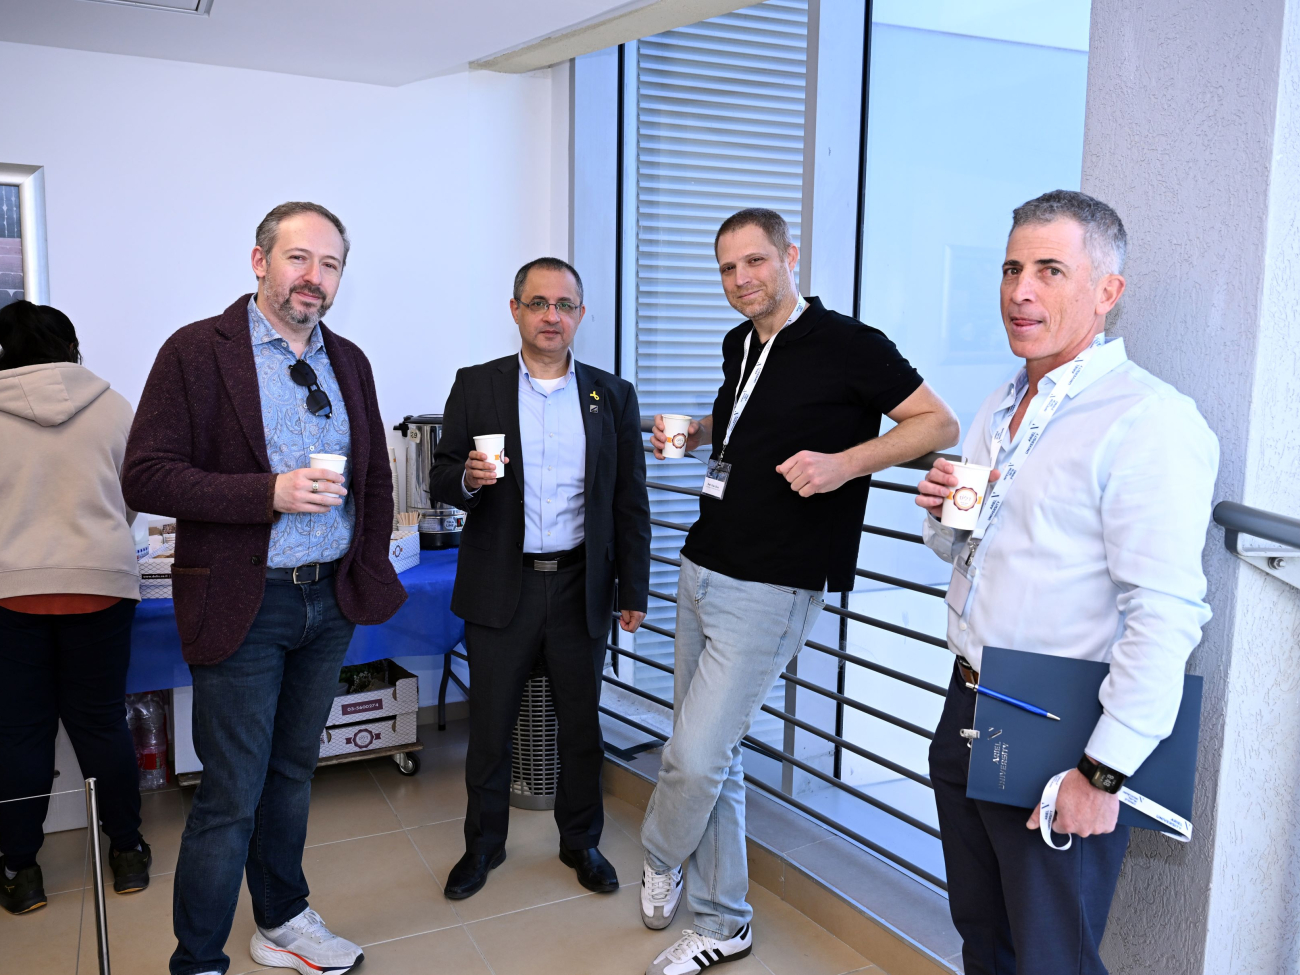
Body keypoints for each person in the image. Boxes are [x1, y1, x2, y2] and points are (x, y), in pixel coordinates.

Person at [640, 208, 959, 975]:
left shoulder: (851, 342)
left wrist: (845, 463)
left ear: (790, 255)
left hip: (774, 584)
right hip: (703, 561)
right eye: (727, 268)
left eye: (755, 261)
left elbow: (937, 424)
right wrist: (698, 433)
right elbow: (749, 419)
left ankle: (659, 852)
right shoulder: (741, 341)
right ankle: (723, 919)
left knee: (694, 756)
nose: (741, 279)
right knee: (715, 752)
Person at [915, 190, 1218, 975]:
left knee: (1053, 960)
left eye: (1050, 270)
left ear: (1106, 291)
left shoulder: (1149, 419)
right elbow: (968, 550)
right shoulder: (1001, 402)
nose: (1021, 290)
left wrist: (1101, 771)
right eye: (1012, 268)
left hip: (1061, 733)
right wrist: (946, 515)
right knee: (984, 942)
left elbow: (1166, 615)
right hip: (968, 704)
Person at [122, 202, 405, 975]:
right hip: (243, 602)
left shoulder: (349, 361)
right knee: (231, 793)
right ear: (260, 261)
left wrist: (365, 564)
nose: (314, 277)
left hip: (327, 600)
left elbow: (374, 478)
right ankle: (198, 958)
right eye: (298, 258)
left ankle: (281, 918)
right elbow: (145, 475)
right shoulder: (195, 351)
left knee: (292, 772)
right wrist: (268, 492)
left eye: (331, 264)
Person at [429, 257, 651, 901]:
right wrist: (467, 477)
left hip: (582, 585)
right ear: (516, 310)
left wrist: (633, 589)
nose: (551, 316)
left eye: (564, 305)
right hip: (503, 584)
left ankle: (581, 841)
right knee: (490, 728)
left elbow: (629, 500)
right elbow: (440, 475)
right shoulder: (478, 385)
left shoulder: (611, 395)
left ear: (580, 314)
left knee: (581, 727)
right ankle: (483, 846)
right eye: (538, 303)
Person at [0, 301, 151, 916]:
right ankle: (128, 852)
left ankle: (20, 869)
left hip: (11, 592)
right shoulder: (114, 407)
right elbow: (132, 495)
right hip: (101, 585)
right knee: (101, 723)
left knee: (21, 731)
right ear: (71, 348)